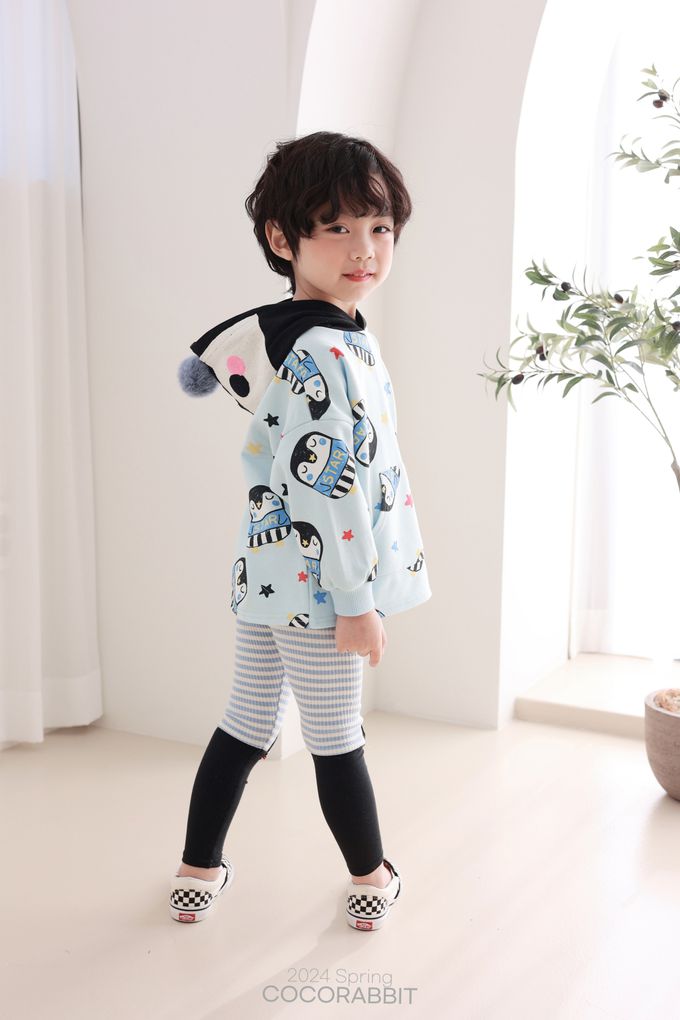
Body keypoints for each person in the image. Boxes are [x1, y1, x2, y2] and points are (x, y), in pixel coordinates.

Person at [170, 131, 432, 930]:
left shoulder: (313, 332)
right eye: (338, 228)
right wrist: (356, 603)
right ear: (283, 240)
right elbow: (332, 491)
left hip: (269, 572)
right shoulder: (327, 349)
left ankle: (196, 870)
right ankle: (370, 877)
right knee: (335, 735)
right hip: (321, 586)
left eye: (380, 228)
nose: (364, 249)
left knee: (246, 720)